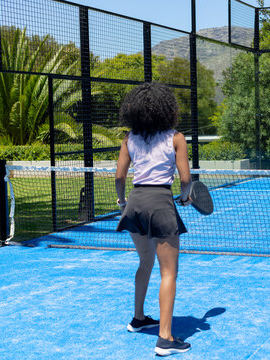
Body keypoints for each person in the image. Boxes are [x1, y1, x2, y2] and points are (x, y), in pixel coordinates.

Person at [115, 82, 192, 356]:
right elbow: (185, 179)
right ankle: (165, 338)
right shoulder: (176, 138)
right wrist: (186, 196)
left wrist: (121, 200)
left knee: (145, 262)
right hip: (160, 202)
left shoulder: (129, 138)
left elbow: (119, 177)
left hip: (134, 203)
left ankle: (138, 319)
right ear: (166, 109)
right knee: (168, 272)